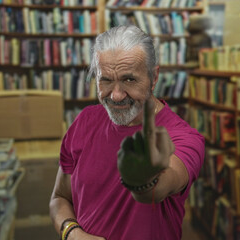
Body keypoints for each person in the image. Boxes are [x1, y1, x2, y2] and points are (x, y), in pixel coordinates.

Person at [50, 25, 205, 240]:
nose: (115, 95)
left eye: (129, 80)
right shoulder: (84, 121)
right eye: (105, 80)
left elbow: (163, 184)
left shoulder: (183, 137)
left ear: (154, 77)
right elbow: (59, 198)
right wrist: (71, 233)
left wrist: (145, 178)